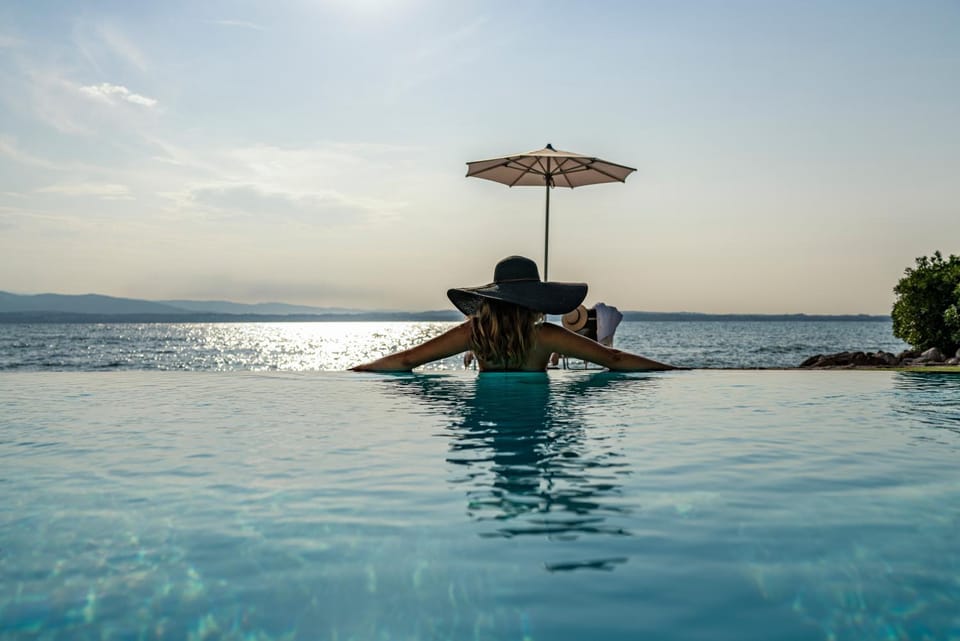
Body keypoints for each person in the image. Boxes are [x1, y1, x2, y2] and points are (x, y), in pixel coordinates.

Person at [350, 255, 677, 372]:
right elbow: (614, 359)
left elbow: (407, 360)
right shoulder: (544, 335)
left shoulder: (474, 334)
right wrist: (675, 369)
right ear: (535, 300)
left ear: (491, 299)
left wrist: (360, 368)